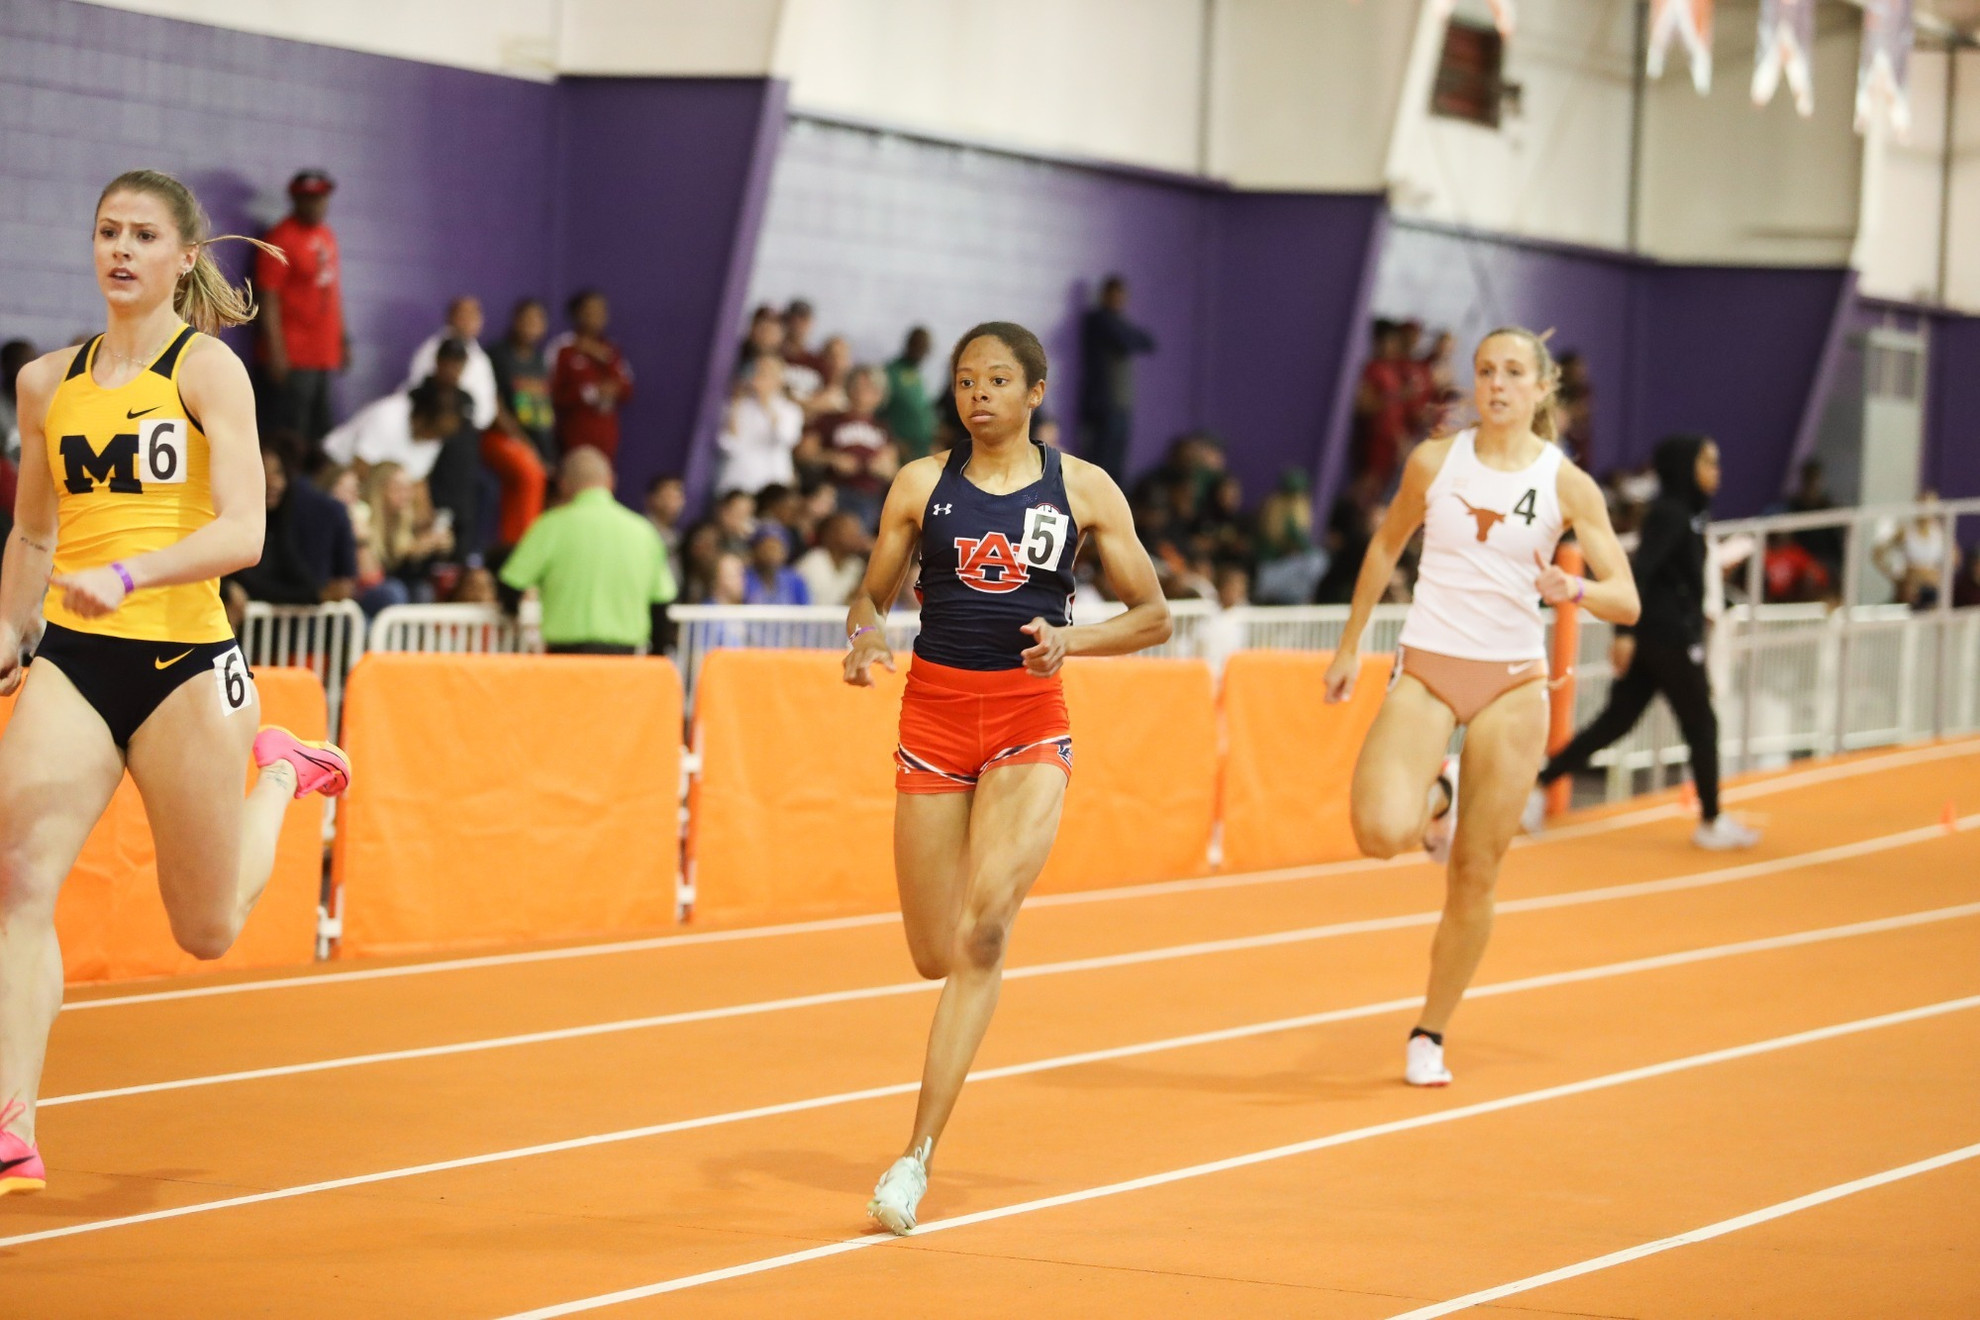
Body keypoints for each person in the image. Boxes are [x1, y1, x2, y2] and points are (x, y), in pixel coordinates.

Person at [0, 171, 352, 1195]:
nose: (119, 248)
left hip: (185, 662)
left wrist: (133, 571)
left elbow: (243, 531)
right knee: (20, 878)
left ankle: (283, 771)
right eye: (106, 230)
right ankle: (13, 1116)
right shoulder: (45, 383)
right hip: (73, 654)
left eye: (143, 235)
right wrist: (12, 623)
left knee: (206, 930)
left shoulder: (209, 374)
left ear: (183, 258)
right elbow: (34, 528)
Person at [845, 321, 1170, 1234]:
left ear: (1035, 391)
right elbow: (869, 593)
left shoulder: (1085, 489)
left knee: (983, 937)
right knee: (932, 952)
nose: (976, 393)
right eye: (962, 380)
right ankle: (951, 1006)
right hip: (934, 719)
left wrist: (1074, 639)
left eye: (995, 379)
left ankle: (913, 1159)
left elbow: (1153, 617)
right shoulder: (921, 485)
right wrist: (866, 638)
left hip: (1030, 722)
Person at [1323, 326, 1638, 1090]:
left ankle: (1429, 1031)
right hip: (1429, 665)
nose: (1497, 384)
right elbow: (1384, 546)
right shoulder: (1436, 461)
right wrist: (1349, 644)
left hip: (1512, 684)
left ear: (1540, 389)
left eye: (1513, 373)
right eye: (1486, 371)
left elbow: (1626, 600)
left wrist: (1577, 591)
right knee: (1377, 832)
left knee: (1475, 872)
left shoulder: (1567, 485)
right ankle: (1441, 795)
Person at [1526, 435, 1759, 850]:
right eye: (1707, 462)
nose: (1715, 472)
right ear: (1686, 466)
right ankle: (1710, 820)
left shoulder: (1690, 514)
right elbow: (1641, 571)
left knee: (1617, 721)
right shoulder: (1669, 514)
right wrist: (1625, 633)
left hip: (1667, 633)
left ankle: (1538, 784)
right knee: (1702, 724)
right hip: (1665, 635)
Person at [498, 447, 676, 654]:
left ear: (563, 485)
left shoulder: (551, 526)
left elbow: (511, 584)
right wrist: (657, 658)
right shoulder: (643, 531)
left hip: (566, 657)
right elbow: (661, 602)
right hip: (625, 660)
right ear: (611, 482)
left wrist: (514, 616)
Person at [254, 170, 345, 444]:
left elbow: (330, 291)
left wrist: (343, 338)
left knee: (320, 436)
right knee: (290, 436)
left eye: (322, 198)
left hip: (323, 353)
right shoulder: (280, 238)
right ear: (295, 200)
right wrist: (276, 353)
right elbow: (267, 296)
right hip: (294, 356)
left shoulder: (326, 235)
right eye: (310, 199)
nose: (318, 205)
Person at [1078, 274, 1156, 481]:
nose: (1118, 300)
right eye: (1114, 295)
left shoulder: (1119, 322)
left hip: (1121, 405)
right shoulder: (1098, 320)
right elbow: (1127, 341)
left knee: (1118, 464)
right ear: (1104, 295)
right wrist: (1127, 333)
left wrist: (1127, 332)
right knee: (1100, 463)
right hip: (1103, 404)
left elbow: (1148, 342)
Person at [802, 364, 898, 529]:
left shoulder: (883, 429)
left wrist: (882, 468)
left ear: (879, 395)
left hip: (868, 495)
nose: (861, 393)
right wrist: (832, 458)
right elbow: (804, 452)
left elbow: (893, 469)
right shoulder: (829, 420)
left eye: (869, 389)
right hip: (832, 489)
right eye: (857, 386)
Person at [549, 290, 633, 460]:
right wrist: (588, 394)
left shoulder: (611, 349)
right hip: (572, 436)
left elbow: (627, 388)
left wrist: (605, 363)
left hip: (606, 437)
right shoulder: (563, 348)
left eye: (601, 311)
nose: (597, 316)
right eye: (590, 311)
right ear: (576, 314)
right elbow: (549, 394)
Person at [716, 352, 803, 495]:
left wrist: (766, 403)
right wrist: (736, 405)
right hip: (737, 481)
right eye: (758, 371)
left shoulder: (790, 410)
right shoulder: (737, 406)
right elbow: (729, 445)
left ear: (780, 379)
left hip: (772, 485)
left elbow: (786, 438)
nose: (760, 377)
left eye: (767, 373)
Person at [404, 297, 497, 431]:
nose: (469, 320)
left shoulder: (480, 357)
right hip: (437, 430)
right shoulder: (433, 350)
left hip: (470, 431)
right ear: (450, 317)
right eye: (463, 314)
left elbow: (488, 404)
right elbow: (421, 395)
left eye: (475, 314)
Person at [488, 297, 557, 467]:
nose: (533, 324)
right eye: (528, 318)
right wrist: (524, 443)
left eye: (539, 319)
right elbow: (495, 406)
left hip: (544, 441)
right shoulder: (497, 355)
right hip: (510, 441)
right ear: (516, 320)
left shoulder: (541, 359)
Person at [880, 326, 938, 463]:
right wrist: (894, 441)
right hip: (900, 449)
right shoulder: (891, 372)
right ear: (909, 344)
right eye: (920, 345)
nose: (923, 351)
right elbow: (877, 411)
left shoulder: (918, 376)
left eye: (926, 347)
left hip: (922, 449)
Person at [795, 510, 870, 607]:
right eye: (849, 532)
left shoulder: (856, 566)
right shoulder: (813, 562)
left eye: (857, 531)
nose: (856, 536)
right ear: (829, 534)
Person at [742, 527, 809, 606]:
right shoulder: (743, 578)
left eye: (777, 548)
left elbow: (807, 612)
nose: (771, 554)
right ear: (754, 550)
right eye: (766, 547)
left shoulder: (795, 580)